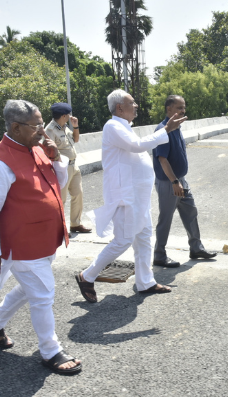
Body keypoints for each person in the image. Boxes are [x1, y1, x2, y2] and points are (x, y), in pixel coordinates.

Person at [75, 89, 186, 303]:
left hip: (138, 196)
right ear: (119, 107)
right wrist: (166, 128)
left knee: (143, 238)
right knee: (123, 240)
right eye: (132, 103)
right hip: (126, 196)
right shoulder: (113, 126)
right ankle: (87, 276)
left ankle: (146, 282)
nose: (136, 106)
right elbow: (137, 147)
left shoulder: (125, 127)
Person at [0, 99, 82, 375]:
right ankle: (50, 351)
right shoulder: (2, 160)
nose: (42, 131)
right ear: (15, 127)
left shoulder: (37, 148)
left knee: (28, 289)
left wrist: (56, 158)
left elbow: (56, 187)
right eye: (36, 126)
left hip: (43, 238)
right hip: (20, 243)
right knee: (43, 293)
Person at [152, 95, 217, 268]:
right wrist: (174, 182)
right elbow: (162, 160)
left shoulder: (176, 127)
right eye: (179, 108)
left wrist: (179, 180)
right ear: (169, 109)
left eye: (184, 107)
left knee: (190, 212)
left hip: (180, 180)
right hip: (169, 182)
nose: (183, 111)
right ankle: (159, 254)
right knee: (165, 218)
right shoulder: (163, 130)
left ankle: (196, 248)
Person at [45, 102, 91, 233]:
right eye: (68, 114)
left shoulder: (64, 127)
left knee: (78, 194)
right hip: (62, 168)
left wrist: (75, 126)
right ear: (64, 115)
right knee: (62, 199)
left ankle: (75, 224)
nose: (70, 116)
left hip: (74, 165)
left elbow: (75, 140)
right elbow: (48, 151)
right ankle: (60, 228)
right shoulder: (50, 130)